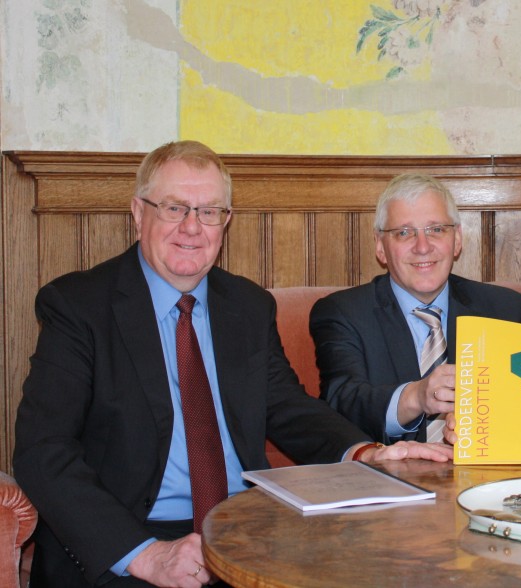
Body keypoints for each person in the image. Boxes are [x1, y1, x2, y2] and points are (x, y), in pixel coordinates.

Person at [13, 141, 452, 588]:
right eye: (174, 208)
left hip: (244, 528)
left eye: (209, 212)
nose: (192, 227)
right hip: (128, 541)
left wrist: (369, 454)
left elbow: (287, 408)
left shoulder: (245, 305)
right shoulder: (78, 305)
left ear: (226, 221)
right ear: (138, 213)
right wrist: (146, 556)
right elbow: (42, 450)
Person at [310, 173, 521, 444]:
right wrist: (416, 396)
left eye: (436, 229)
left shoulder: (506, 309)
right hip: (390, 479)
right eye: (404, 233)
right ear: (381, 247)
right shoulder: (343, 313)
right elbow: (343, 403)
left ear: (457, 240)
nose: (423, 247)